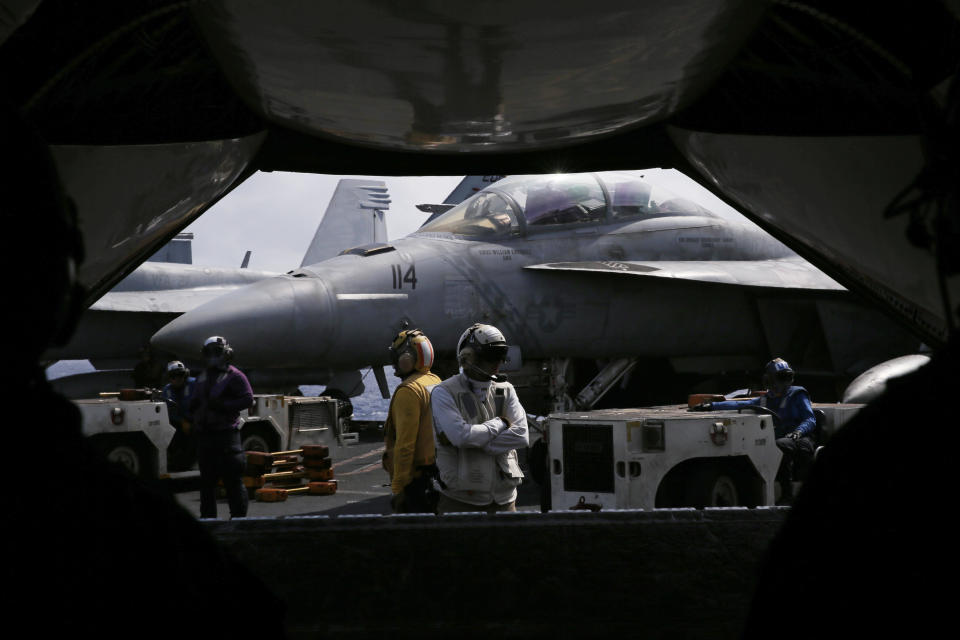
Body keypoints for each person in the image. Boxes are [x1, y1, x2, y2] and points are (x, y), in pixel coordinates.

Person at [3, 101, 284, 634]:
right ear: (65, 304)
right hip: (204, 441)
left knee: (229, 490)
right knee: (208, 497)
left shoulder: (225, 379)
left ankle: (241, 526)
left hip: (220, 439)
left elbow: (240, 402)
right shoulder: (129, 533)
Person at [431, 323, 528, 513]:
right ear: (468, 358)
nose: (497, 364)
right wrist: (499, 423)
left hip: (505, 500)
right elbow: (461, 437)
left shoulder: (505, 389)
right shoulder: (444, 392)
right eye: (491, 358)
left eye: (500, 357)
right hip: (460, 502)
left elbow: (522, 435)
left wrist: (482, 443)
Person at [692, 357, 816, 503]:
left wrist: (798, 432)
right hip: (777, 439)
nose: (784, 382)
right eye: (780, 378)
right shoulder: (765, 400)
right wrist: (711, 406)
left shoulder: (797, 395)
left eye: (787, 377)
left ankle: (787, 494)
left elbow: (810, 419)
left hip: (801, 439)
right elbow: (739, 404)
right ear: (769, 380)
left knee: (781, 445)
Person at [189, 335, 254, 519]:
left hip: (226, 438)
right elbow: (195, 398)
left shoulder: (235, 376)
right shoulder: (202, 377)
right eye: (208, 352)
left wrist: (224, 405)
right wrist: (192, 408)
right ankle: (210, 525)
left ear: (226, 353)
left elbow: (248, 399)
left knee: (233, 483)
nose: (212, 356)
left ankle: (239, 523)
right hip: (206, 437)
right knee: (206, 485)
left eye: (215, 352)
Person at [381, 328, 442, 513]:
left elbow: (405, 445)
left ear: (406, 359)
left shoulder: (409, 391)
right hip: (438, 475)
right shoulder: (435, 381)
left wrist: (398, 488)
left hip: (416, 481)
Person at [161, 360, 198, 471]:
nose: (177, 379)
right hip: (180, 422)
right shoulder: (167, 391)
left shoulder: (194, 384)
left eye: (180, 375)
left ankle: (195, 461)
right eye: (174, 376)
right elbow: (169, 412)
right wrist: (182, 421)